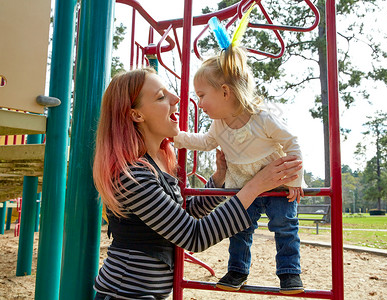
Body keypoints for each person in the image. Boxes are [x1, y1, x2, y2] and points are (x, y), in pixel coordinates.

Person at [92, 67, 302, 300]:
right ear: (136, 115)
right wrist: (256, 185)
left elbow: (183, 217)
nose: (176, 98)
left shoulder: (159, 162)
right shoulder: (133, 175)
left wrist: (218, 179)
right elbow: (194, 236)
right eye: (161, 97)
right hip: (123, 294)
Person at [173, 42, 306, 294]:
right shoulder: (219, 125)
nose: (199, 103)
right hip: (244, 186)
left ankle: (290, 273)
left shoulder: (262, 117)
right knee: (240, 228)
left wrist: (295, 180)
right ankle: (237, 271)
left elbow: (292, 142)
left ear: (225, 92)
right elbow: (204, 142)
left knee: (285, 225)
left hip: (277, 182)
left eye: (202, 95)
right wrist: (176, 137)